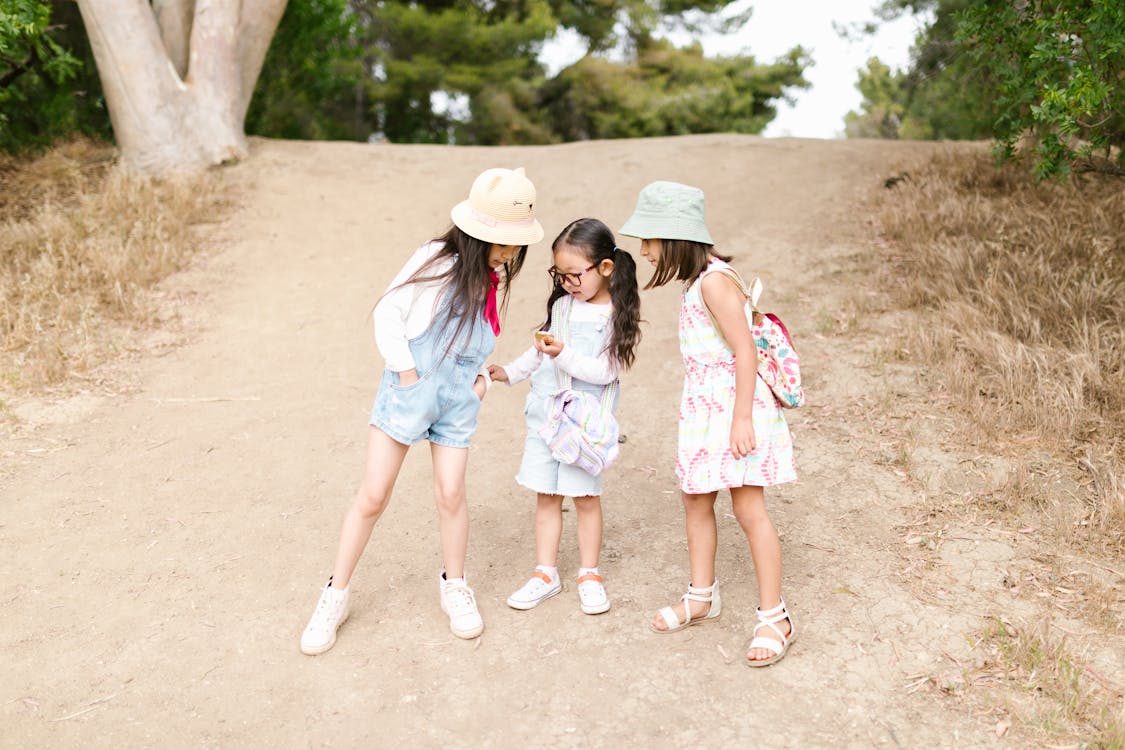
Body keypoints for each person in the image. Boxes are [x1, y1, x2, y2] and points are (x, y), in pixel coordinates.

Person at [300, 167, 544, 654]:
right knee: (373, 494)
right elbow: (390, 310)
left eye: (516, 244)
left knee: (451, 493)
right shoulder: (436, 258)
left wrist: (479, 387)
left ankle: (455, 585)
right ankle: (335, 594)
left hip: (457, 400)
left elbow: (478, 344)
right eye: (504, 242)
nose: (511, 253)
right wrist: (407, 373)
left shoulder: (492, 276)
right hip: (411, 387)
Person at [620, 181, 797, 667]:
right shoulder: (700, 281)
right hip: (705, 408)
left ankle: (775, 616)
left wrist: (742, 419)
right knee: (695, 499)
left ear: (672, 237)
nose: (645, 251)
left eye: (649, 240)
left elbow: (746, 350)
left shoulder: (716, 282)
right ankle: (702, 596)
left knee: (748, 508)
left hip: (733, 408)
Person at [487, 218, 641, 615]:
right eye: (561, 274)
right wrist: (511, 372)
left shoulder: (614, 314)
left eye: (575, 275)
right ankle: (545, 572)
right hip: (547, 416)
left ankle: (589, 573)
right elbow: (539, 350)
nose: (568, 283)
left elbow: (606, 372)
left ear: (605, 268)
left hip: (583, 425)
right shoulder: (562, 305)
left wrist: (564, 354)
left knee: (585, 497)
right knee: (547, 495)